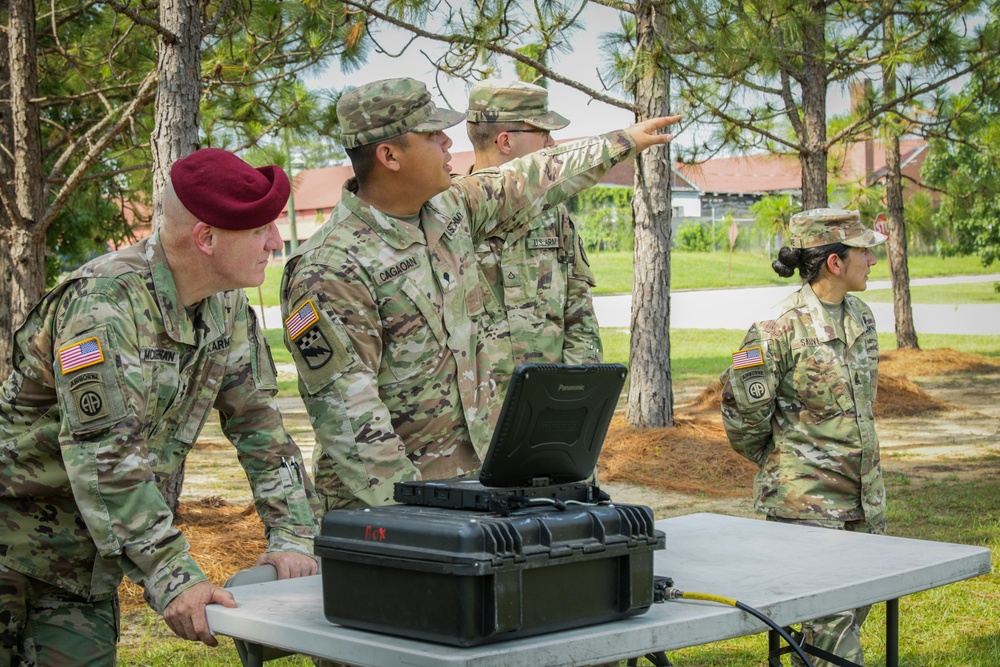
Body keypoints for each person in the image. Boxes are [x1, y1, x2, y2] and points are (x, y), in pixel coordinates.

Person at [280, 77, 679, 513]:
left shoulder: (448, 210)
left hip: (472, 486)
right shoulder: (329, 267)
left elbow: (528, 177)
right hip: (391, 509)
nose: (449, 142)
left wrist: (621, 142)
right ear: (389, 155)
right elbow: (350, 418)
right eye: (432, 135)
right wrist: (413, 515)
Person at [0, 148, 319, 666]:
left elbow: (261, 426)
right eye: (260, 230)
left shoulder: (227, 305)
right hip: (12, 547)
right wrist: (176, 578)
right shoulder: (103, 304)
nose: (274, 242)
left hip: (82, 565)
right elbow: (107, 461)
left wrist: (292, 535)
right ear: (206, 239)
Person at [720, 208, 888, 667]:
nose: (872, 259)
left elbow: (862, 405)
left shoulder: (862, 317)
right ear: (835, 262)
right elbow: (741, 412)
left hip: (863, 501)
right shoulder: (776, 328)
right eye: (863, 250)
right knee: (831, 636)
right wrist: (784, 464)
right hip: (807, 508)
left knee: (837, 627)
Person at [463, 79, 602, 393]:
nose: (552, 143)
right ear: (506, 141)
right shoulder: (450, 216)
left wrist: (576, 394)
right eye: (543, 133)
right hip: (472, 421)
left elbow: (580, 316)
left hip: (546, 405)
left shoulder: (554, 215)